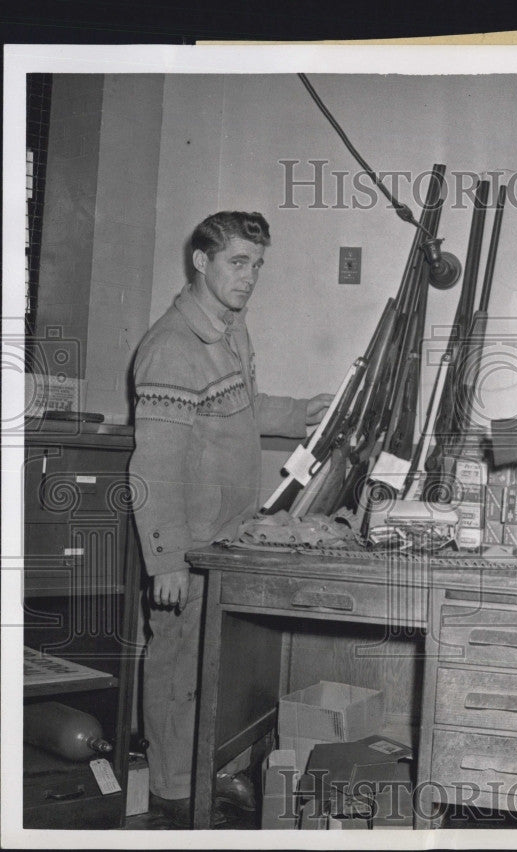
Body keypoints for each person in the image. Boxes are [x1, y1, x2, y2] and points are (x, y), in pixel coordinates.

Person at [129, 211, 332, 827]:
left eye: (257, 264)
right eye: (237, 263)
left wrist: (305, 412)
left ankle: (200, 780)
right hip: (187, 546)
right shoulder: (171, 347)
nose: (250, 277)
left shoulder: (229, 329)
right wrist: (165, 561)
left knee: (210, 672)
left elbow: (242, 406)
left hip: (226, 538)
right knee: (178, 672)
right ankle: (169, 799)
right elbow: (154, 466)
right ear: (201, 261)